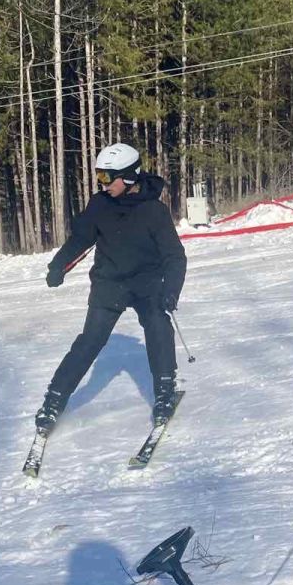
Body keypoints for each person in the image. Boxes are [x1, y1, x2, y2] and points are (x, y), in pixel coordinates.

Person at [34, 143, 187, 435]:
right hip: (110, 281)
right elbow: (80, 240)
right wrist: (59, 266)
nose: (102, 184)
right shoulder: (99, 205)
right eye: (99, 178)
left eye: (107, 178)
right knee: (89, 341)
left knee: (157, 324)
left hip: (146, 281)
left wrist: (171, 289)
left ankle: (165, 391)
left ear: (129, 177)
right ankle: (54, 400)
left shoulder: (154, 210)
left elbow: (174, 255)